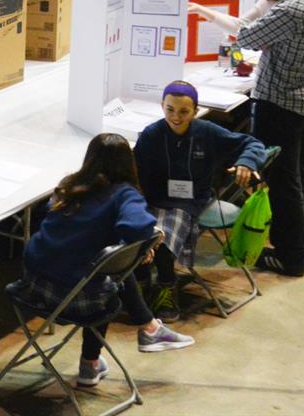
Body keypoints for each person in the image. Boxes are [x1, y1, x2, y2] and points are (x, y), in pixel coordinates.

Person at [11, 133, 195, 390]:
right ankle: (96, 359)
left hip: (31, 287)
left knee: (106, 267)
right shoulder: (123, 194)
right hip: (76, 301)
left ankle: (146, 332)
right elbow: (137, 226)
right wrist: (147, 243)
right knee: (111, 282)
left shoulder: (69, 186)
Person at [212, 0, 304, 277]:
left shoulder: (293, 9)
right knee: (302, 174)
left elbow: (246, 36)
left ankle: (291, 256)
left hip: (279, 102)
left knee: (284, 182)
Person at [132, 81, 266, 319]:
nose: (176, 116)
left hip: (190, 201)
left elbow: (252, 143)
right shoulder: (151, 135)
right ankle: (140, 285)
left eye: (183, 111)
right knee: (138, 236)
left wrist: (246, 162)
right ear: (162, 106)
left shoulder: (207, 132)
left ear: (194, 110)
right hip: (153, 200)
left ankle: (166, 289)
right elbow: (134, 173)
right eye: (170, 109)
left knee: (161, 241)